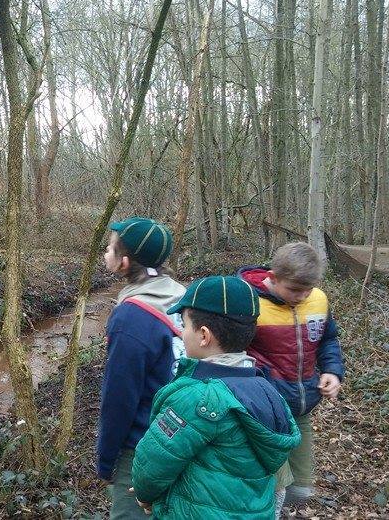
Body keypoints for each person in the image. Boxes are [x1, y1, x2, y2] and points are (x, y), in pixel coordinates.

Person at [131, 275, 302, 519]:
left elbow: (151, 466)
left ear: (203, 335)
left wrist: (144, 495)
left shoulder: (197, 398)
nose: (181, 332)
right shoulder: (267, 390)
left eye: (184, 324)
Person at [238, 242, 345, 509]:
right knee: (276, 487)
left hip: (303, 403)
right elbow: (234, 350)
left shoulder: (318, 299)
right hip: (265, 409)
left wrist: (332, 371)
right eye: (295, 290)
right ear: (273, 277)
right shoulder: (249, 301)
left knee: (301, 489)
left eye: (308, 290)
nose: (302, 296)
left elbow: (328, 340)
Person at [96, 217, 187, 519]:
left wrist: (107, 460)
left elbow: (120, 397)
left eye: (109, 249)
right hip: (184, 436)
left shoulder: (131, 318)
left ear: (124, 263)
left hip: (143, 446)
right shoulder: (181, 297)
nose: (104, 254)